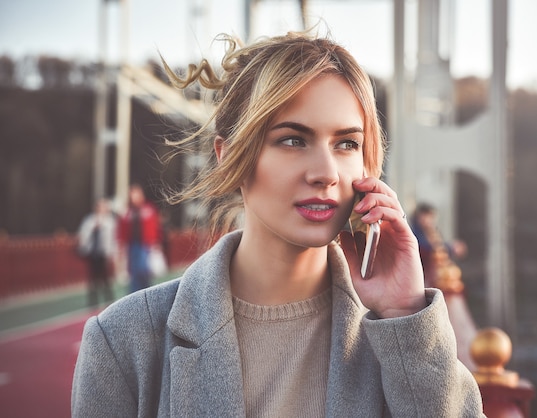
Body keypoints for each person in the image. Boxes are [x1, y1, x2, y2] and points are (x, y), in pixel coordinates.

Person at [72, 31, 484, 417]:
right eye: (292, 140)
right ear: (229, 156)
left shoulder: (399, 333)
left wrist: (405, 313)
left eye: (346, 144)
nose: (325, 173)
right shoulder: (122, 341)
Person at [116, 183, 162, 293]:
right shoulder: (127, 212)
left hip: (145, 245)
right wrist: (121, 246)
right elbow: (122, 230)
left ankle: (146, 292)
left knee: (144, 270)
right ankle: (134, 294)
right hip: (132, 245)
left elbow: (155, 227)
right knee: (134, 272)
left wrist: (156, 243)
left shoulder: (148, 210)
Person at [76, 198, 117, 307]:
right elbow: (83, 235)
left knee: (106, 279)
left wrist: (112, 253)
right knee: (93, 279)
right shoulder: (90, 220)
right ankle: (93, 302)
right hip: (93, 253)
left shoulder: (110, 221)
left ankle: (109, 301)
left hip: (104, 253)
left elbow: (113, 238)